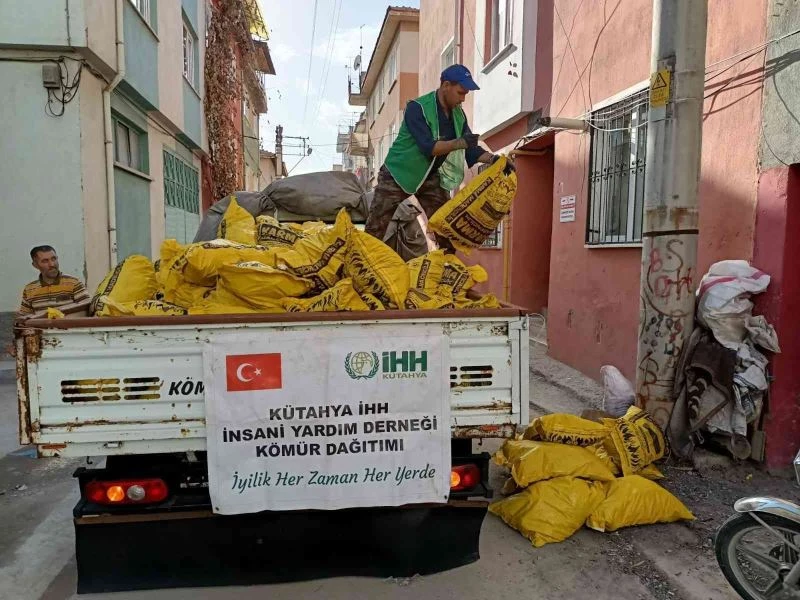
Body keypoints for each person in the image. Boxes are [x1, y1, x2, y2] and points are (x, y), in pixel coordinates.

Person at [365, 63, 514, 253]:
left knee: (446, 228)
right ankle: (358, 272)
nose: (463, 99)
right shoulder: (417, 108)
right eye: (460, 92)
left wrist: (495, 160)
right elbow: (429, 147)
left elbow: (471, 150)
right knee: (375, 229)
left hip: (430, 177)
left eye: (466, 94)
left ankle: (444, 274)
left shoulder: (458, 116)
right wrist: (460, 142)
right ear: (446, 86)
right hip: (398, 174)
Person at [17, 245, 91, 321]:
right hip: (42, 332)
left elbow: (88, 307)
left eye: (54, 259)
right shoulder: (29, 289)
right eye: (45, 261)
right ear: (35, 265)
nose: (52, 264)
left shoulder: (73, 283)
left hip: (69, 331)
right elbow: (24, 318)